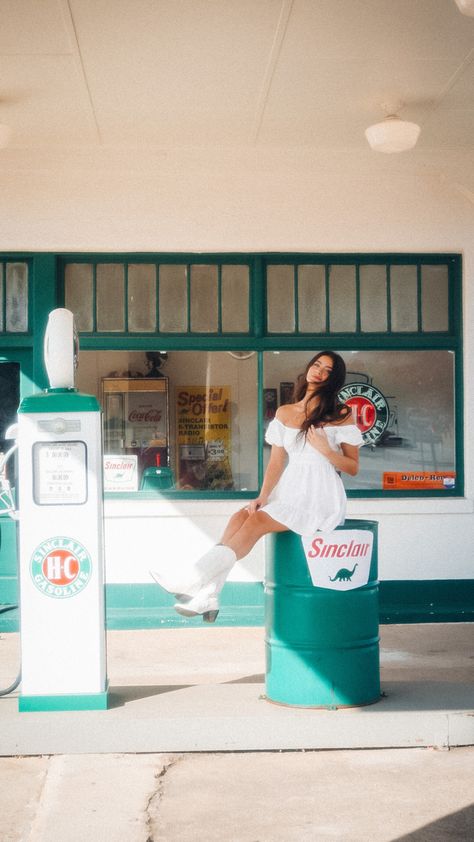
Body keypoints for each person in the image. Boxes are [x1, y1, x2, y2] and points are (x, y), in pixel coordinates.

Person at [150, 351, 364, 622]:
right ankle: (208, 595)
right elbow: (276, 462)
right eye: (317, 364)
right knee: (242, 516)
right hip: (292, 485)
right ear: (309, 367)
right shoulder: (286, 412)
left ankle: (190, 580)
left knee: (254, 524)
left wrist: (325, 450)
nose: (319, 372)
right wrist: (262, 496)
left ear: (334, 379)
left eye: (328, 370)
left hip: (319, 493)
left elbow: (353, 467)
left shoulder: (341, 414)